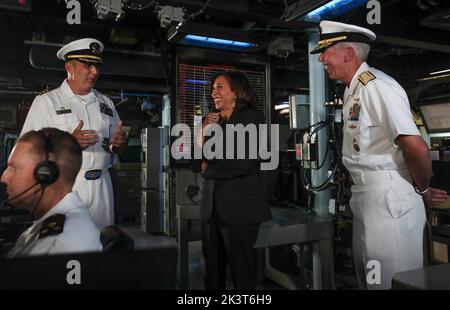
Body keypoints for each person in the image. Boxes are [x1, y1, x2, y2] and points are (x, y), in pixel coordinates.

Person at [311, 20, 449, 289]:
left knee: (392, 282)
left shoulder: (377, 87)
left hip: (388, 198)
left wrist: (421, 191)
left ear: (348, 53)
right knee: (371, 282)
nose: (322, 59)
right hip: (368, 198)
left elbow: (416, 147)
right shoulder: (355, 90)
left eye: (326, 52)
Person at [20, 38, 127, 229]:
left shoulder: (106, 103)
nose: (94, 71)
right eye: (88, 65)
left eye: (97, 66)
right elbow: (26, 151)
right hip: (65, 186)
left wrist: (117, 145)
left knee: (100, 245)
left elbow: (113, 145)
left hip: (102, 185)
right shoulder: (47, 102)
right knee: (64, 248)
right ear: (69, 66)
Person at [196, 71, 272, 289]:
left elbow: (243, 163)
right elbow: (193, 160)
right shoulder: (214, 123)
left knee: (242, 274)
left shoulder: (252, 118)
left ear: (236, 93)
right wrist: (202, 130)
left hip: (240, 211)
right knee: (213, 273)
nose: (213, 92)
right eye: (213, 88)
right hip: (212, 211)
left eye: (220, 87)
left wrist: (208, 169)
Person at [1, 128, 102, 257]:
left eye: (14, 168)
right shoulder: (49, 222)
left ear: (45, 175)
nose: (4, 177)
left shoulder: (58, 244)